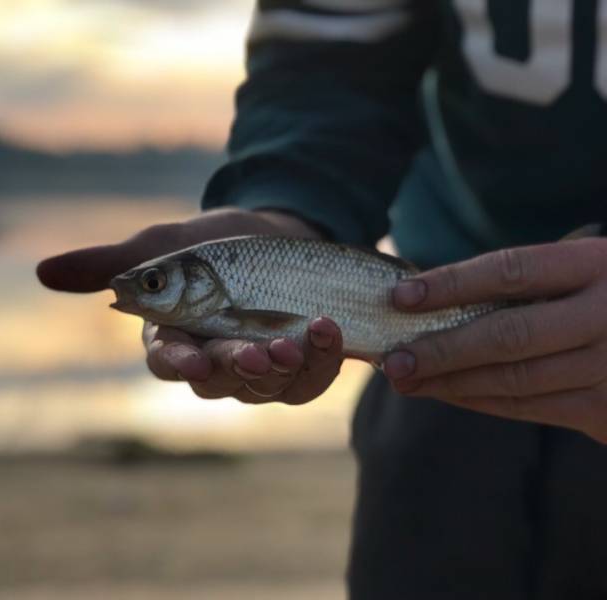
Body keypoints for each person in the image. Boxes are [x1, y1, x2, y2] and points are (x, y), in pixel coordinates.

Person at [37, 1, 607, 598]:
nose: (144, 291)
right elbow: (328, 62)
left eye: (153, 284)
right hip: (436, 343)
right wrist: (287, 207)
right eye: (154, 286)